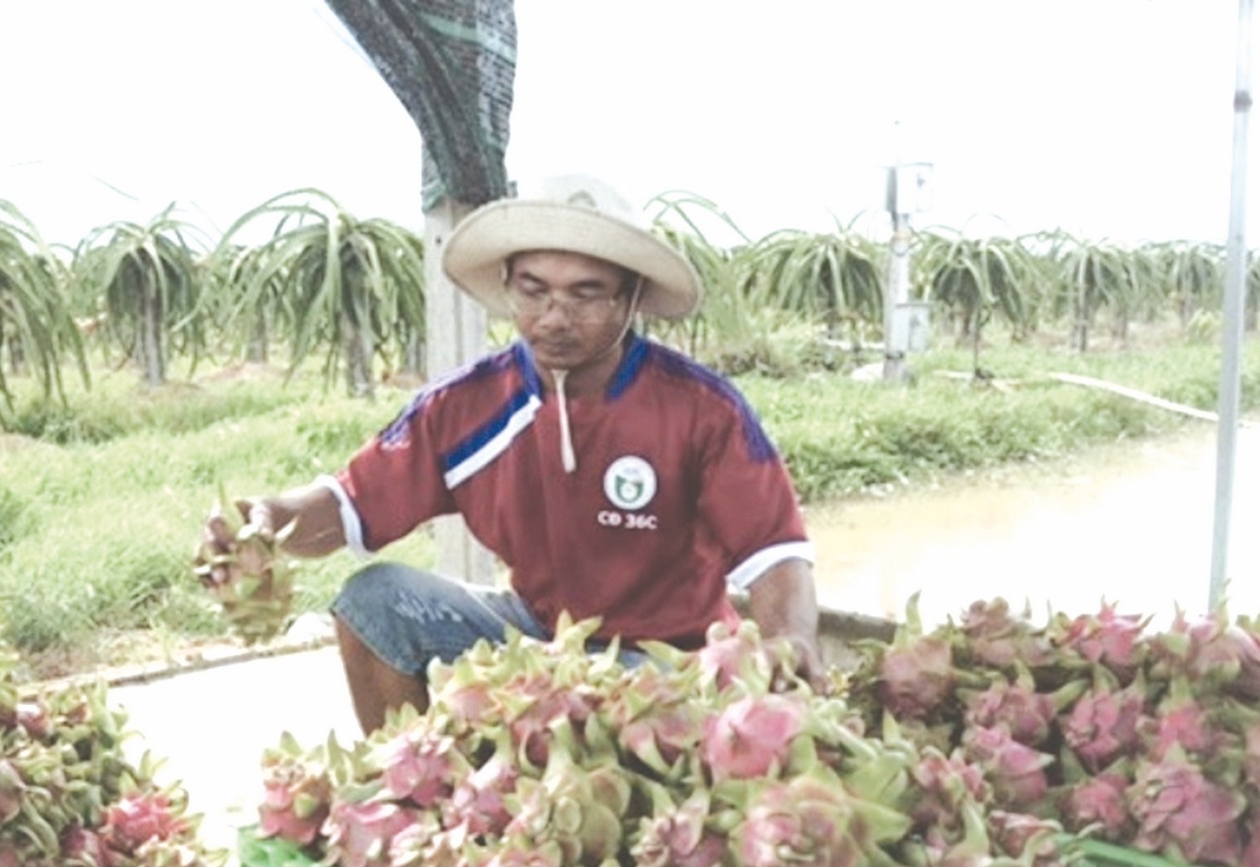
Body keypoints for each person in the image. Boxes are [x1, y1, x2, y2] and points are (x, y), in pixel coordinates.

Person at [203, 175, 822, 733]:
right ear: (506, 286)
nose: (554, 317)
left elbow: (776, 554)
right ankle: (421, 801)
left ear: (630, 297)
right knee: (374, 601)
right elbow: (347, 506)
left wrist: (790, 642)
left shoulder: (700, 411)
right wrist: (268, 521)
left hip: (669, 661)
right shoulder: (465, 407)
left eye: (586, 294)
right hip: (534, 637)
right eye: (534, 291)